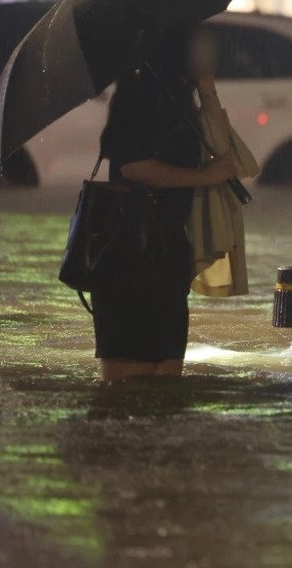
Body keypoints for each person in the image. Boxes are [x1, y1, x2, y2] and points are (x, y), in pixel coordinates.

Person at [91, 27, 239, 381]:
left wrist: (207, 86)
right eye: (198, 44)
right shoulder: (138, 93)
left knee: (167, 379)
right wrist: (204, 176)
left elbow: (224, 153)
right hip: (128, 254)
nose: (208, 51)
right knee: (127, 384)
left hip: (168, 252)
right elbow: (134, 166)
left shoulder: (180, 97)